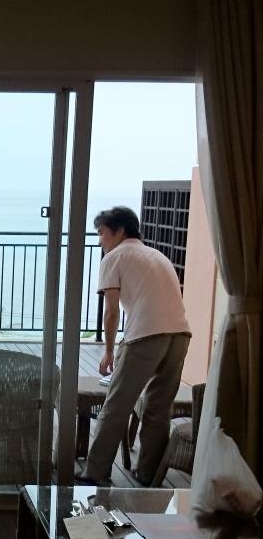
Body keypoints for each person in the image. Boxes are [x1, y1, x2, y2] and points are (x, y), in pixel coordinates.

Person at [81, 205, 191, 486]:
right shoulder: (157, 255)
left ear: (119, 231)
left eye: (101, 232)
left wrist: (108, 351)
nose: (99, 240)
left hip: (145, 335)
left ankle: (94, 473)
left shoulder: (114, 257)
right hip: (180, 334)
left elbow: (111, 312)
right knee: (158, 409)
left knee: (116, 405)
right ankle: (147, 474)